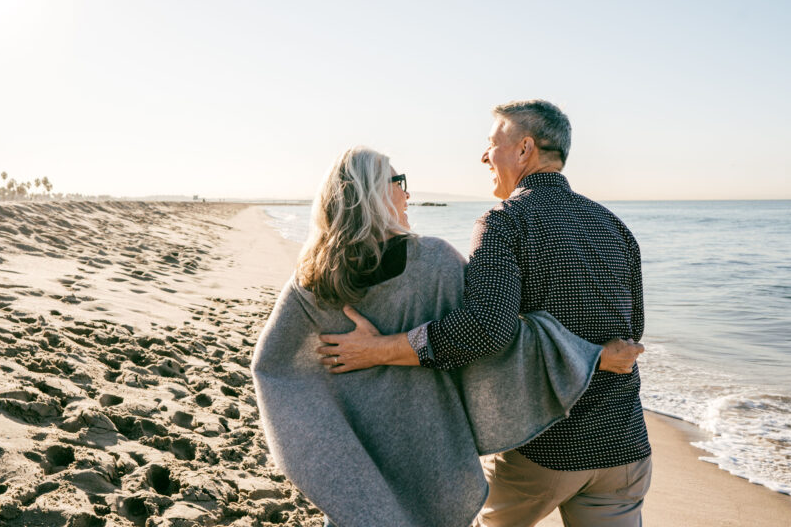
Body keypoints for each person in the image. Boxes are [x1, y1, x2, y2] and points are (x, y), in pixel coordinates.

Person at [252, 147, 637, 527]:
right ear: (374, 193)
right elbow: (494, 335)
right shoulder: (432, 262)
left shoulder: (310, 280)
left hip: (358, 451)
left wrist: (325, 442)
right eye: (398, 181)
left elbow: (274, 369)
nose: (406, 192)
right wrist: (593, 356)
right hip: (430, 450)